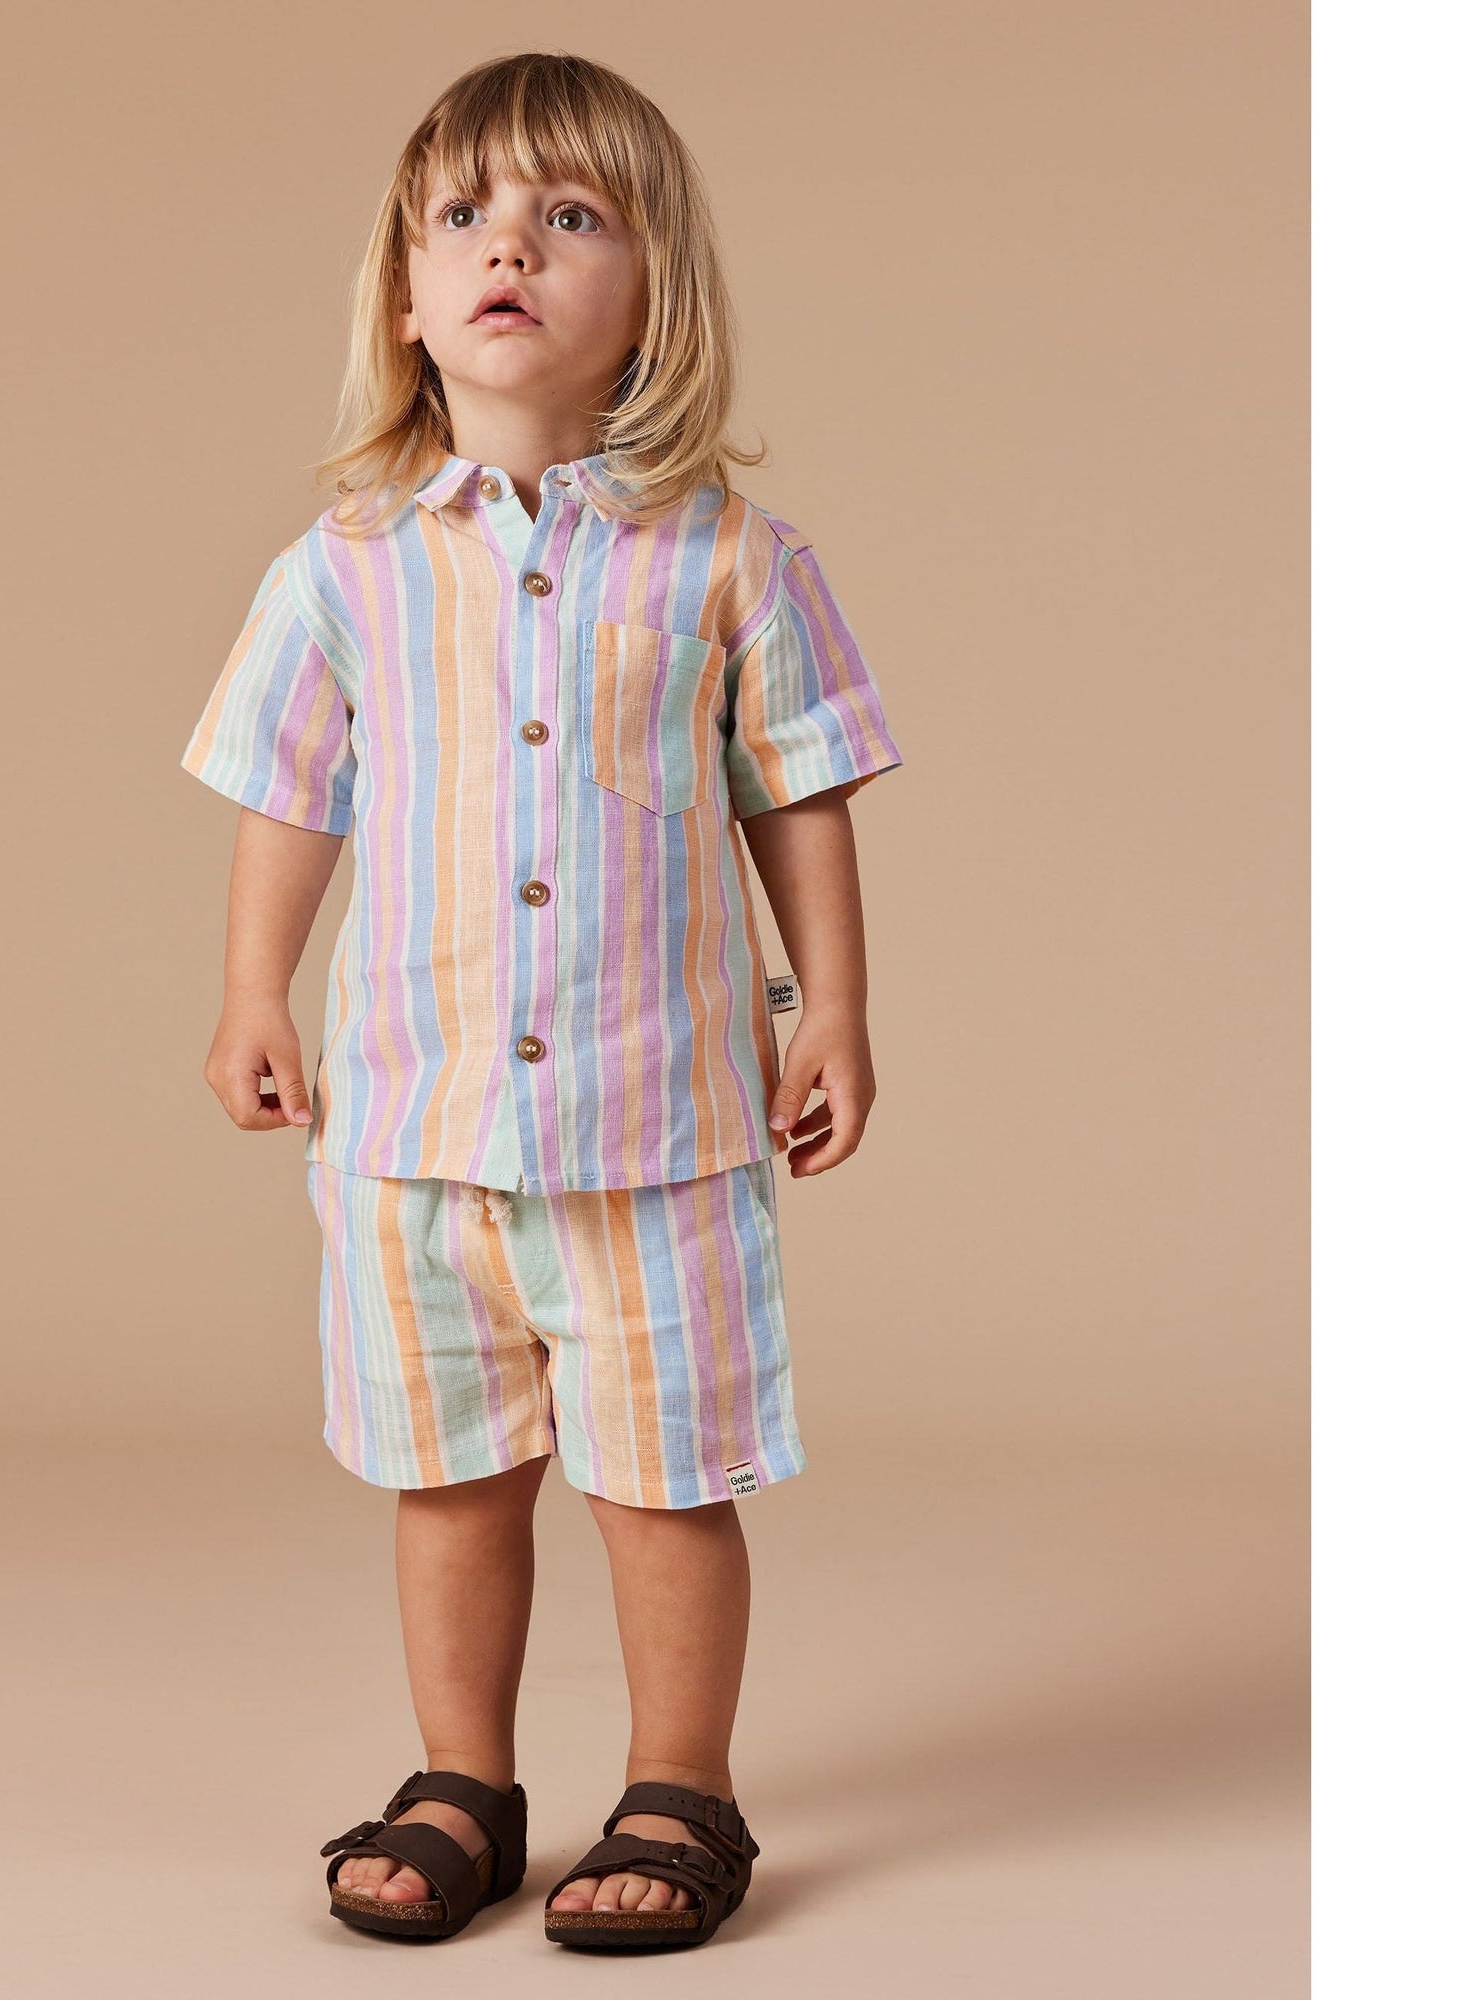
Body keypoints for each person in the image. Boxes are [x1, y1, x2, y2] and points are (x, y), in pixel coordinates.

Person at [180, 50, 902, 1952]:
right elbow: (289, 795)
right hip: (414, 1135)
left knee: (664, 1491)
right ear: (409, 299)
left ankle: (682, 1789)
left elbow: (799, 792)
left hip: (656, 1136)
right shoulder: (344, 572)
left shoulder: (735, 561)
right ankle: (464, 1783)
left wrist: (830, 1005)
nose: (510, 247)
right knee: (448, 1483)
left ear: (653, 295)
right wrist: (255, 990)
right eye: (466, 217)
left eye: (569, 216)